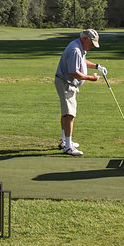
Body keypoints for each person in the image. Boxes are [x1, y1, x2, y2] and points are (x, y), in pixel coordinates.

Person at [54, 28, 107, 156]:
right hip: (66, 84)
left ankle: (64, 141)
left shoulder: (80, 47)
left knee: (66, 113)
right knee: (70, 114)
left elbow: (82, 62)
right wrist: (91, 78)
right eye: (91, 43)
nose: (92, 47)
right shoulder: (75, 50)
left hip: (66, 82)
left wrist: (97, 66)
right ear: (84, 39)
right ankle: (68, 146)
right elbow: (74, 73)